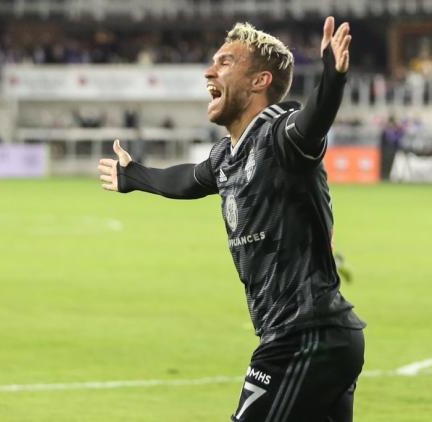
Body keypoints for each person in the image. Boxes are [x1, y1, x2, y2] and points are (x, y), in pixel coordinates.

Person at [98, 17, 365, 422]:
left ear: (259, 81)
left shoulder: (281, 138)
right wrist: (135, 176)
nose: (209, 70)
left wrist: (333, 78)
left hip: (305, 336)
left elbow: (314, 120)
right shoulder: (227, 157)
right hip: (318, 338)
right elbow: (187, 180)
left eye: (224, 62)